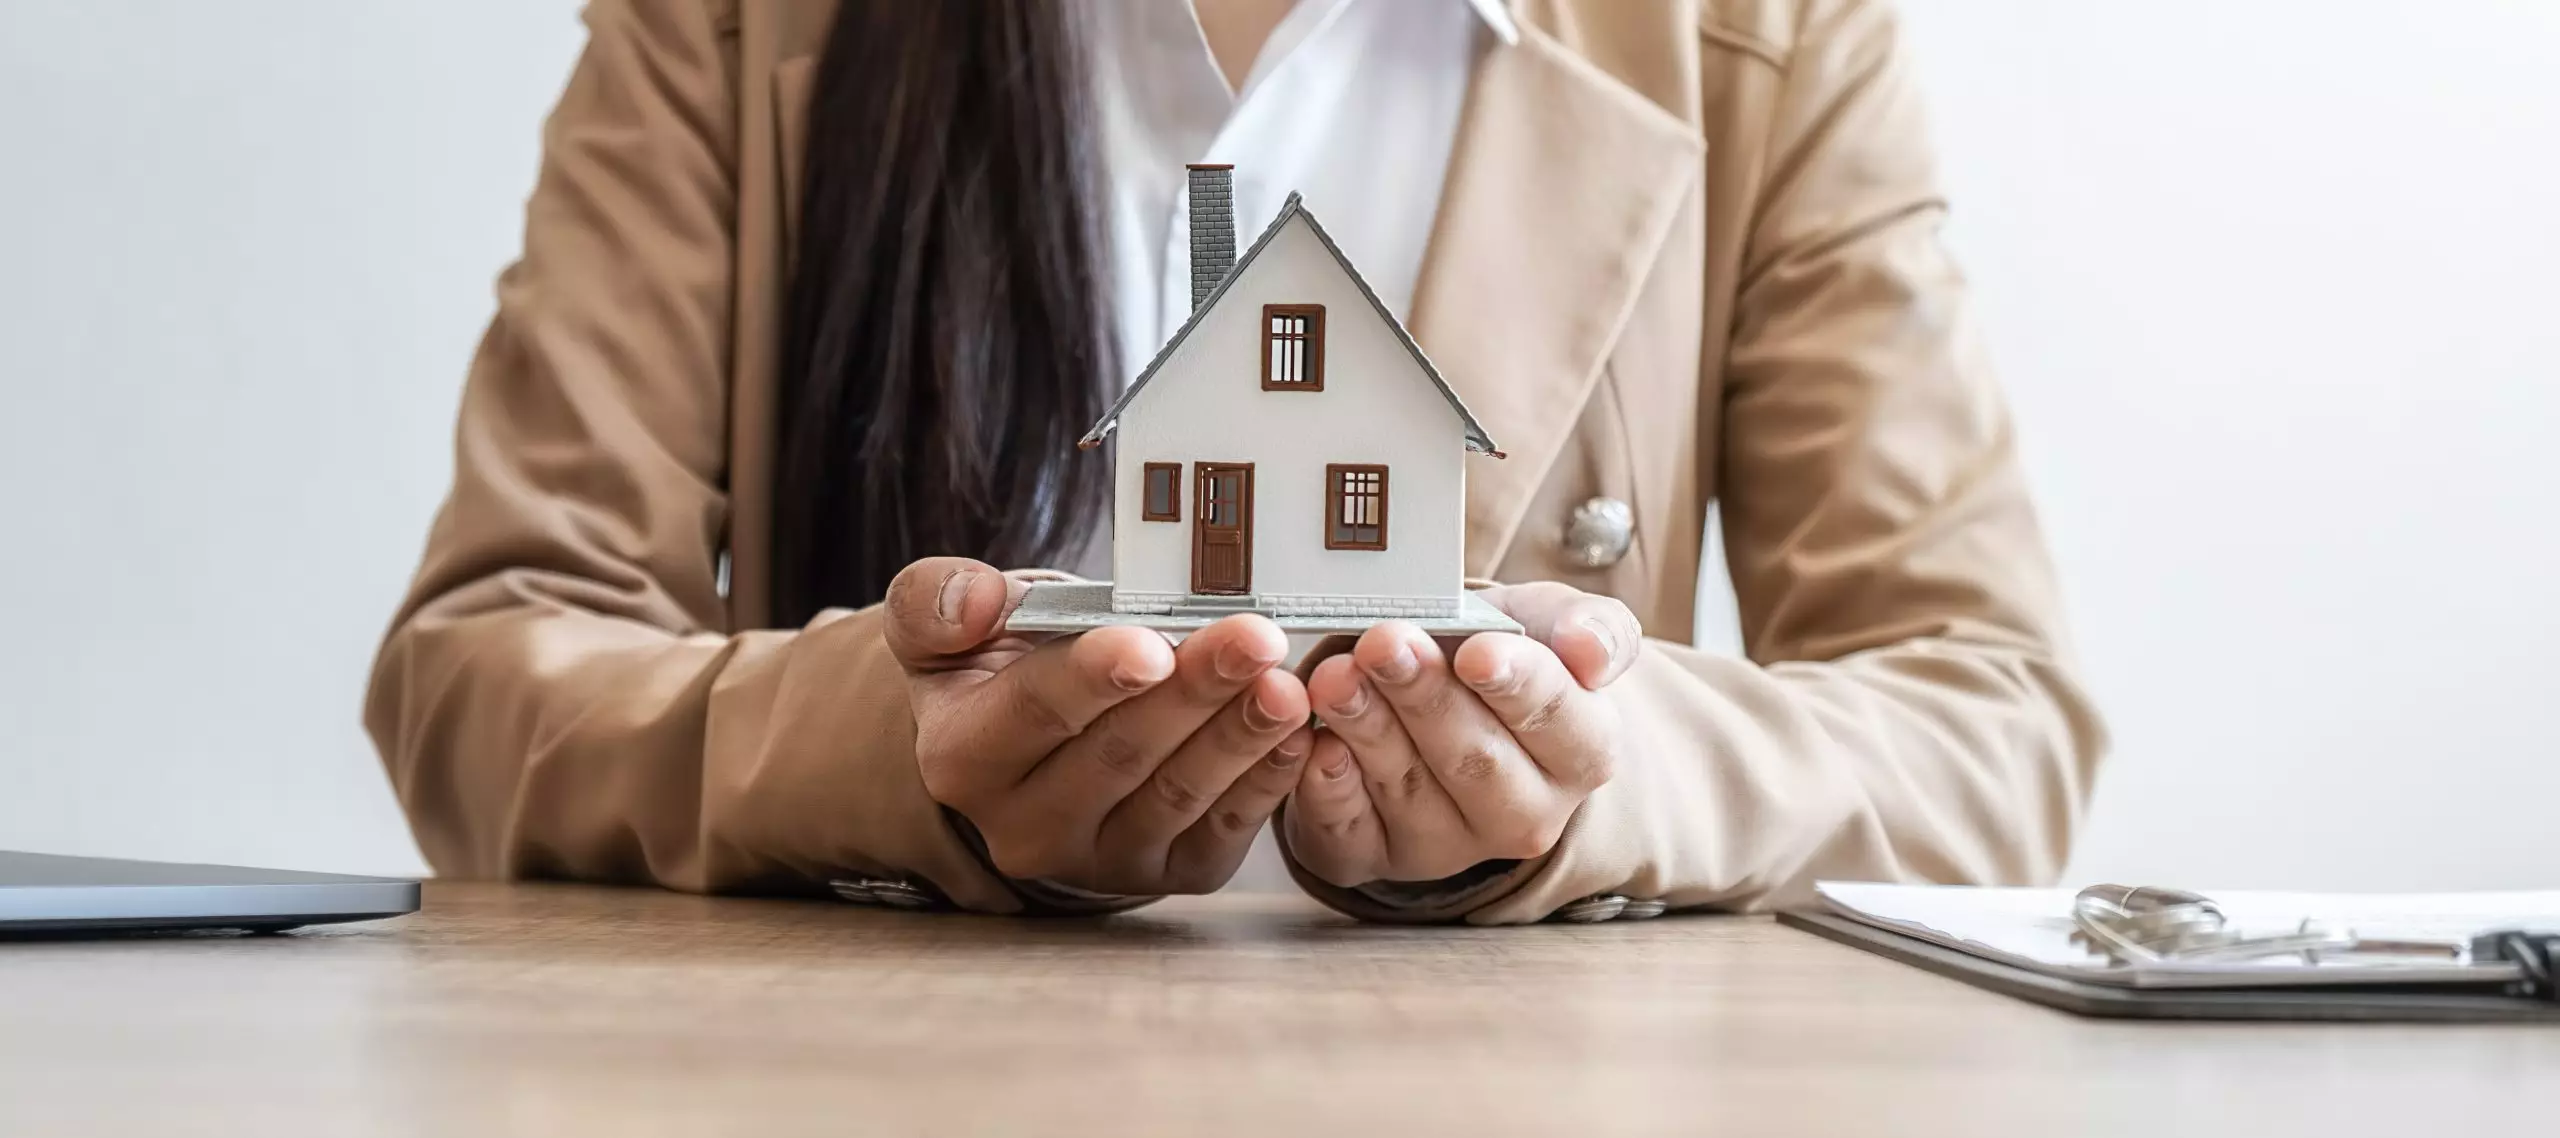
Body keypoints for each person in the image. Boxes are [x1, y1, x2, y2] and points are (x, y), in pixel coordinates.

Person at [366, 0, 2103, 924]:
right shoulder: (730, 27)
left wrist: (1590, 776)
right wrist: (887, 748)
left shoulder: (1758, 29)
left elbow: (1989, 727)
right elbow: (486, 670)